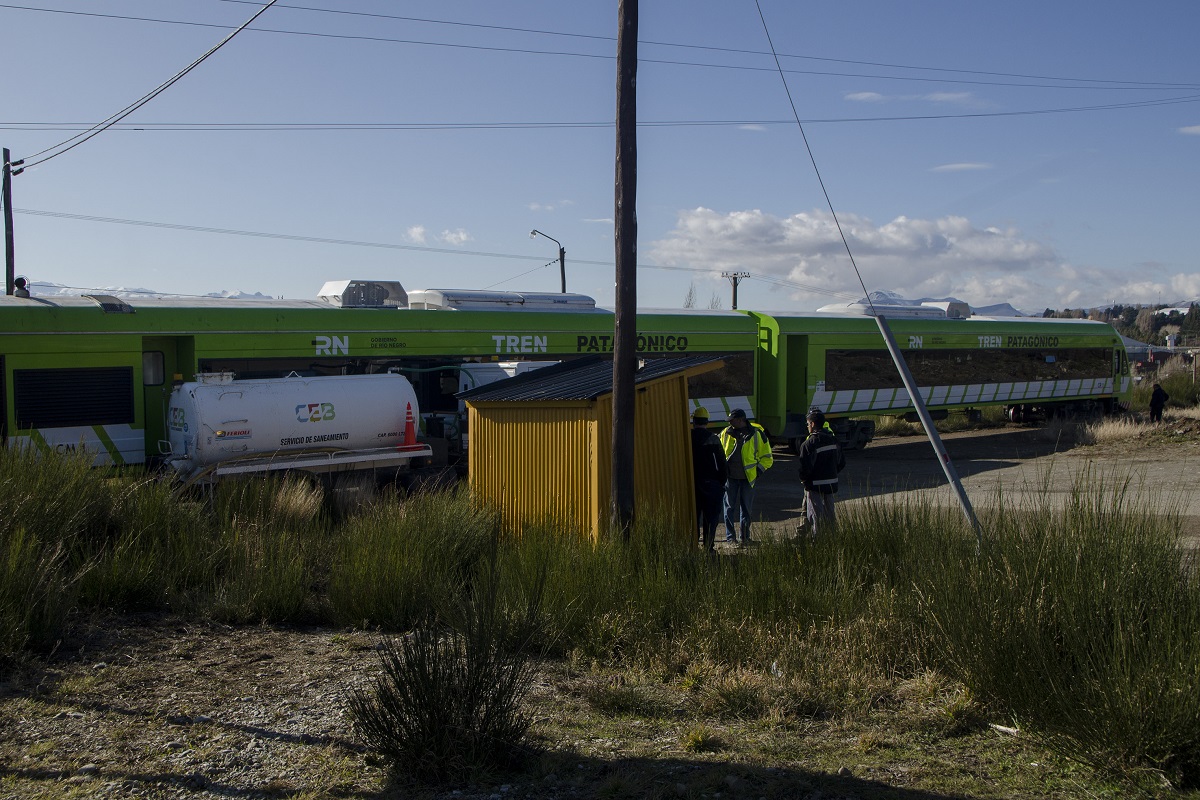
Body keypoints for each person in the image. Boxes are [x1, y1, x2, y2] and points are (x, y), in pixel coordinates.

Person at [719, 408, 773, 545]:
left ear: (740, 420)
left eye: (732, 420)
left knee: (746, 510)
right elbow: (720, 452)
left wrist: (758, 472)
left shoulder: (757, 434)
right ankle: (731, 538)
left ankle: (744, 538)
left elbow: (767, 458)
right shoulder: (726, 433)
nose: (730, 423)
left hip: (748, 478)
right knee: (729, 508)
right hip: (730, 477)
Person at [796, 409, 845, 539]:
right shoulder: (834, 440)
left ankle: (817, 541)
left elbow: (805, 468)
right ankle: (833, 538)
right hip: (831, 483)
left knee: (816, 515)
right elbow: (841, 462)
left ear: (812, 424)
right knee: (830, 514)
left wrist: (805, 481)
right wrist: (832, 473)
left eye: (808, 424)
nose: (807, 426)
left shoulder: (808, 444)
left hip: (814, 485)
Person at [689, 407, 727, 552]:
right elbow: (722, 464)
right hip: (712, 484)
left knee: (693, 516)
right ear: (707, 422)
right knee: (711, 517)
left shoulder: (688, 437)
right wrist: (721, 482)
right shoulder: (713, 439)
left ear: (694, 421)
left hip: (692, 483)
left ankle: (692, 545)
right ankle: (708, 547)